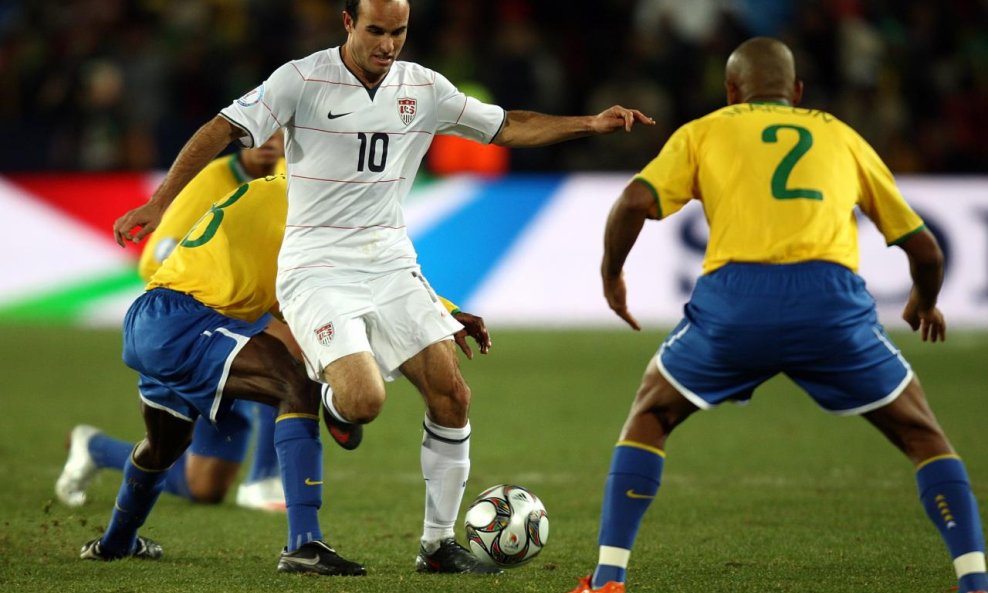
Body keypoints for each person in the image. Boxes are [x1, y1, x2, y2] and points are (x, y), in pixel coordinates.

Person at [111, 0, 653, 575]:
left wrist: (588, 124)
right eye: (375, 30)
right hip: (315, 266)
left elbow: (506, 125)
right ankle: (330, 395)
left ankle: (437, 544)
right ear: (348, 23)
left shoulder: (425, 87)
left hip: (391, 263)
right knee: (363, 402)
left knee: (452, 392)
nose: (387, 44)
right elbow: (221, 128)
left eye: (398, 32)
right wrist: (159, 201)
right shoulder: (300, 80)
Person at [565, 37, 988, 593]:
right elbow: (926, 251)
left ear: (731, 91)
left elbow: (633, 203)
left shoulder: (707, 130)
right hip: (830, 302)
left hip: (735, 302)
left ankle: (609, 579)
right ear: (797, 91)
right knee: (922, 433)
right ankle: (975, 581)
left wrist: (611, 274)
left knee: (652, 413)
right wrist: (924, 300)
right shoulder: (841, 136)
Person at [79, 173, 490, 576]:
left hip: (163, 322)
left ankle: (115, 543)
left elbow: (365, 278)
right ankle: (303, 544)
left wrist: (446, 311)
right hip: (185, 318)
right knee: (295, 382)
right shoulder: (297, 207)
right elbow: (353, 279)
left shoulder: (289, 197)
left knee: (163, 446)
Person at [56, 133, 294, 512]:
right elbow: (154, 260)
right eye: (261, 132)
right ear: (243, 134)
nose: (269, 141)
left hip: (244, 314)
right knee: (286, 356)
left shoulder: (293, 178)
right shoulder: (208, 182)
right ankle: (264, 477)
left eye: (280, 132)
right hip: (201, 325)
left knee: (205, 487)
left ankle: (97, 448)